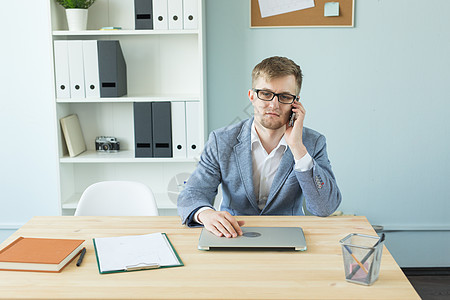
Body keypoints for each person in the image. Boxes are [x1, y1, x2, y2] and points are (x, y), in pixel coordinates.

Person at [177, 56, 341, 238]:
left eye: (285, 97)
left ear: (296, 103)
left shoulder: (312, 142)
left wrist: (298, 148)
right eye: (265, 93)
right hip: (232, 234)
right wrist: (205, 214)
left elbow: (325, 206)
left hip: (288, 236)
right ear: (252, 96)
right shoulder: (221, 140)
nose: (274, 104)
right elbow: (192, 193)